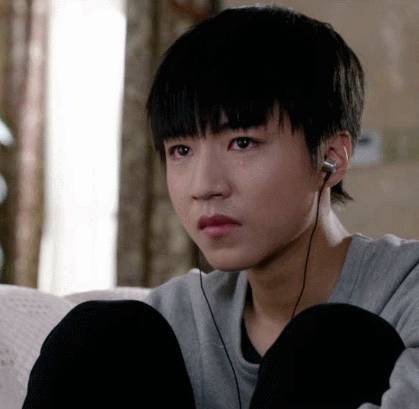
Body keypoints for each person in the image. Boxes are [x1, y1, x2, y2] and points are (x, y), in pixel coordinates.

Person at [23, 5, 419, 409]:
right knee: (101, 334)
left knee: (331, 344)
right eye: (181, 150)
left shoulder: (408, 291)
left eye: (242, 143)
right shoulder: (173, 321)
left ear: (331, 158)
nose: (204, 186)